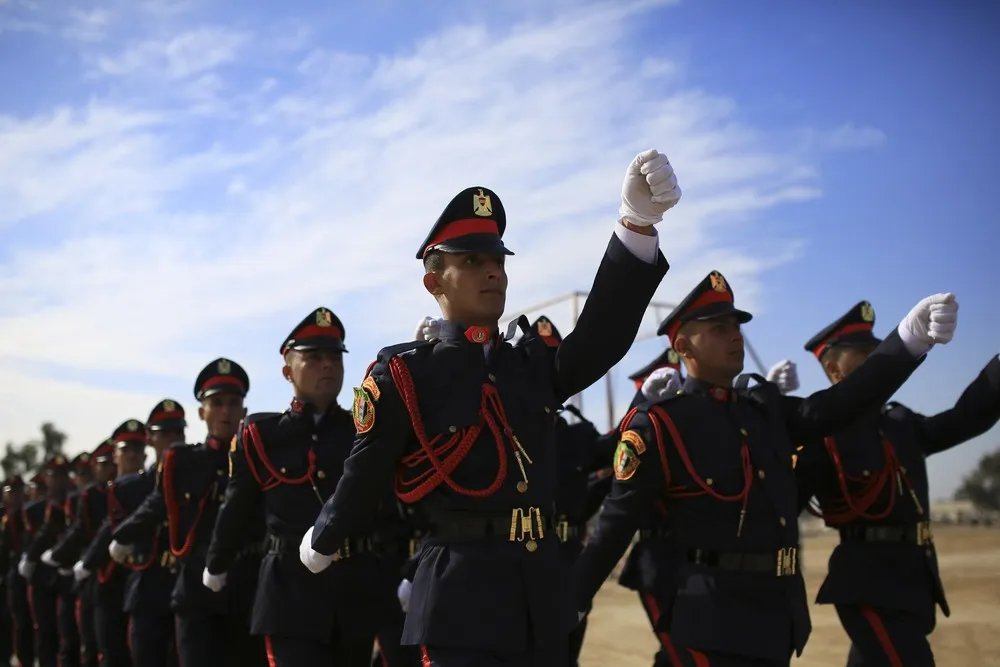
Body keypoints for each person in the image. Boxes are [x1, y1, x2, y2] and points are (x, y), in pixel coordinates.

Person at [300, 148, 679, 667]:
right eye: (472, 261)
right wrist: (326, 535)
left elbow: (600, 336)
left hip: (538, 594)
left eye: (498, 260)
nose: (492, 272)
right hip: (459, 596)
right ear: (434, 282)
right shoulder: (407, 374)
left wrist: (636, 226)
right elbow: (366, 467)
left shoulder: (530, 365)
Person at [572, 269, 959, 667]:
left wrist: (907, 343)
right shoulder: (662, 425)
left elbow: (838, 406)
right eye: (719, 328)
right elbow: (615, 524)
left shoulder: (764, 409)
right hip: (711, 619)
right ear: (684, 346)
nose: (735, 335)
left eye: (736, 326)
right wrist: (572, 601)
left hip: (776, 616)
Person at [797, 300, 1000, 667]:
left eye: (877, 350)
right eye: (863, 353)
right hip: (868, 585)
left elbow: (964, 420)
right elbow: (781, 504)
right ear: (832, 369)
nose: (876, 358)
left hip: (914, 578)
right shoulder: (822, 437)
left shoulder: (900, 422)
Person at [206, 308, 388, 667]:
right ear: (288, 370)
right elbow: (237, 507)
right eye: (314, 357)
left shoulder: (362, 430)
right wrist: (217, 562)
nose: (328, 366)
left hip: (355, 590)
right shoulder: (263, 435)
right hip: (289, 596)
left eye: (335, 357)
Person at [112, 359, 265, 667]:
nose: (226, 411)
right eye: (217, 403)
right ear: (201, 413)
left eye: (234, 403)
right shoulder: (183, 462)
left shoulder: (260, 456)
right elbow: (158, 504)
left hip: (247, 586)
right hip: (196, 593)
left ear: (244, 410)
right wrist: (123, 536)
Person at [47, 439, 119, 667]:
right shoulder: (90, 495)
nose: (107, 469)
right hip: (93, 574)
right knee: (89, 642)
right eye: (102, 464)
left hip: (117, 572)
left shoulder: (128, 488)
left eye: (109, 463)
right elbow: (81, 531)